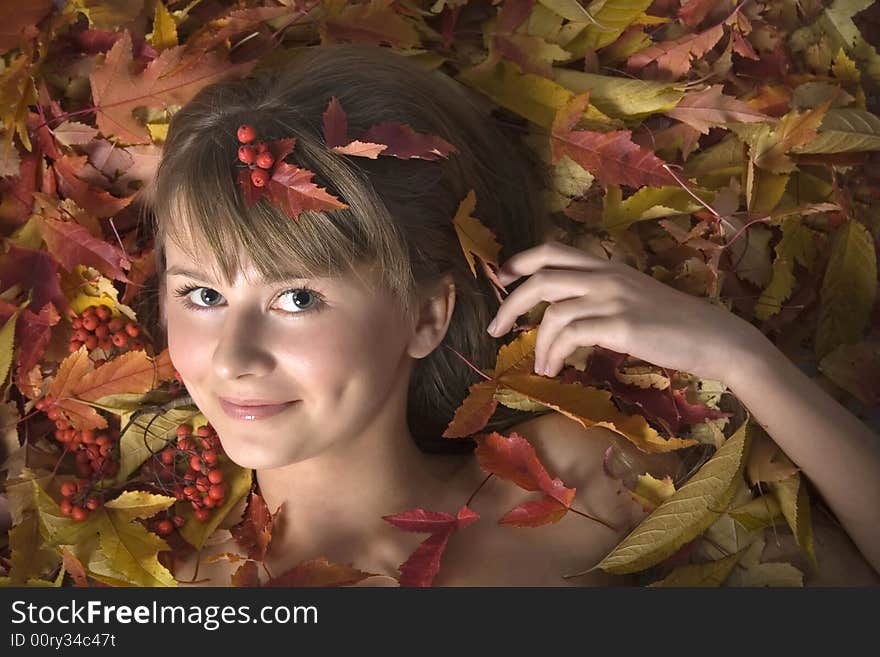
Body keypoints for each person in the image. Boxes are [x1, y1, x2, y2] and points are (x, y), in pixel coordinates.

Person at [143, 42, 880, 586]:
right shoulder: (172, 586)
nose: (234, 355)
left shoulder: (577, 478)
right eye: (202, 294)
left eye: (296, 298)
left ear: (428, 316)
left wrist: (740, 357)